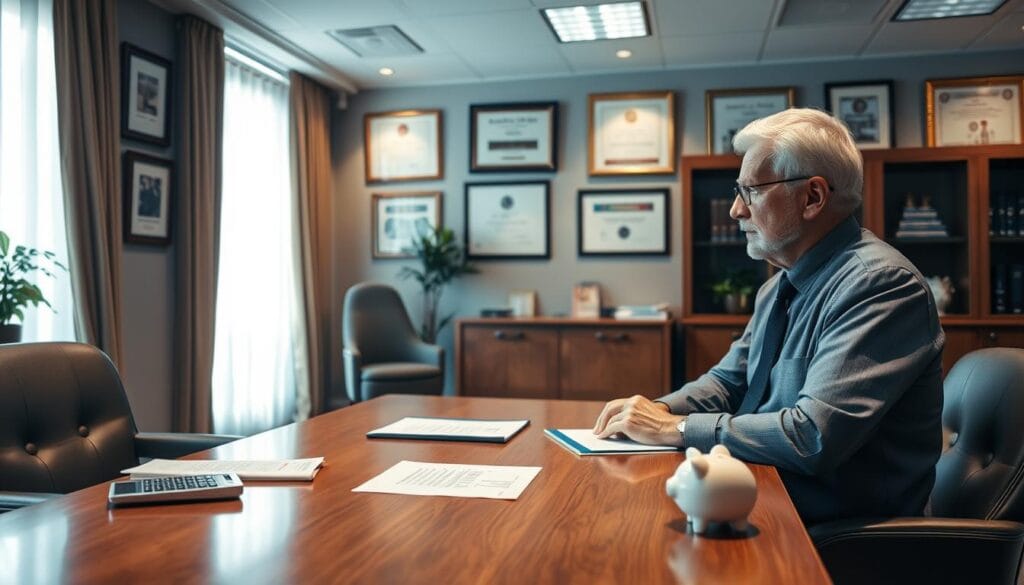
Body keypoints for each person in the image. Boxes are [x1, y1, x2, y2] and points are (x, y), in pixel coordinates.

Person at [593, 108, 944, 524]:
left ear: (813, 197)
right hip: (768, 494)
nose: (736, 211)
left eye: (751, 191)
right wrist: (654, 411)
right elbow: (728, 382)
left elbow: (811, 436)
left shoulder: (880, 285)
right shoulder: (777, 286)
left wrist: (675, 430)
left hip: (833, 529)